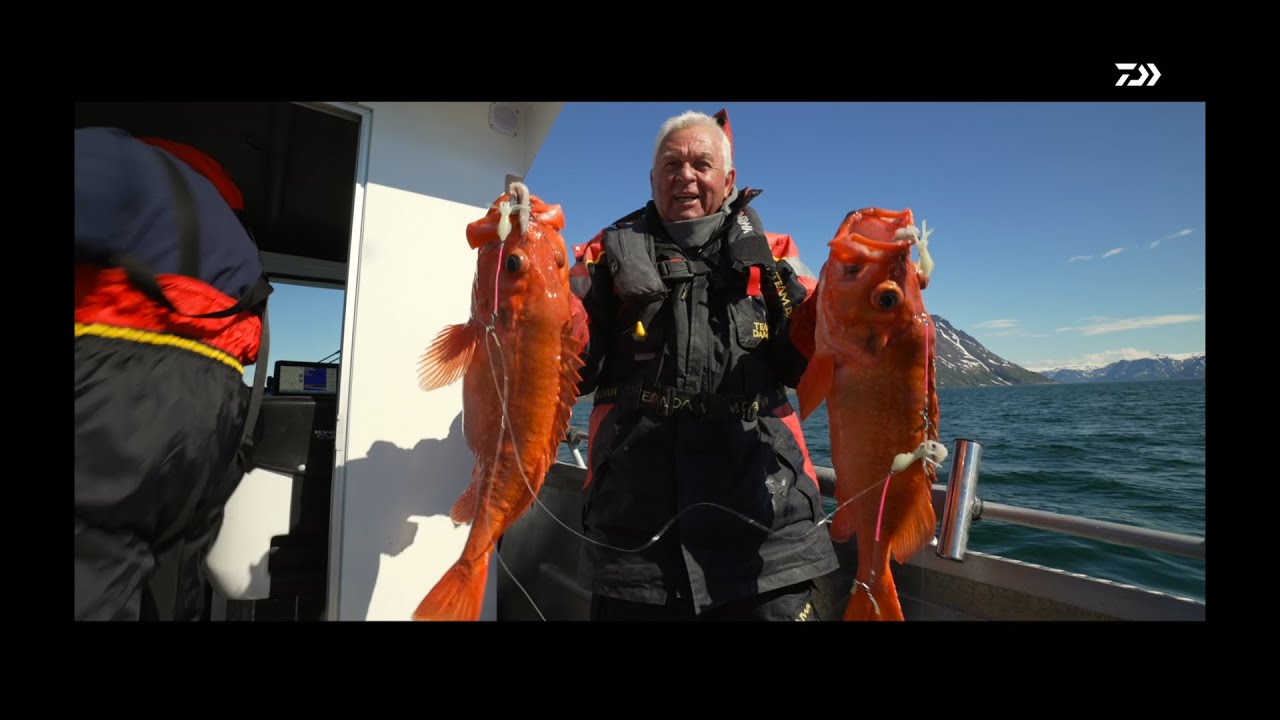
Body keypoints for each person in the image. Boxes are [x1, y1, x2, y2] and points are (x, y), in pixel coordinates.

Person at [568, 109, 838, 620]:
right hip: (636, 541)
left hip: (767, 534)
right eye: (671, 164)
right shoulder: (604, 256)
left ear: (729, 179)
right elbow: (576, 372)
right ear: (652, 179)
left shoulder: (775, 256)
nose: (685, 176)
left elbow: (809, 363)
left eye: (702, 163)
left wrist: (862, 300)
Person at [75, 127, 272, 621]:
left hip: (113, 390)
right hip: (215, 419)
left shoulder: (119, 163)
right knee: (172, 580)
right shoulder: (239, 242)